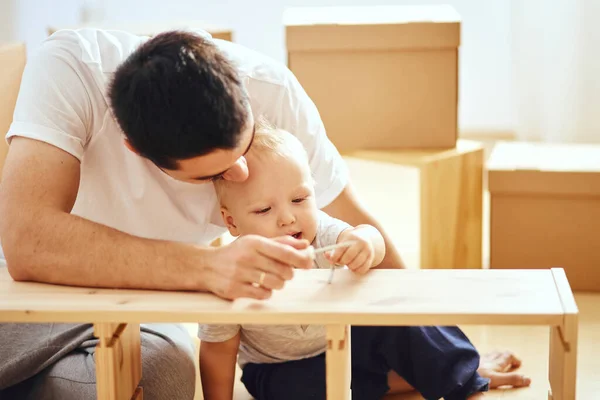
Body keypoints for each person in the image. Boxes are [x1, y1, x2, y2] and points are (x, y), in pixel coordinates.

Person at [0, 29, 528, 399]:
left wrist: (448, 349)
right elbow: (27, 244)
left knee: (162, 375)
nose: (243, 177)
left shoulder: (271, 91)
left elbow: (356, 223)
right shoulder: (70, 69)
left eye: (243, 150)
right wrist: (208, 269)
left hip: (132, 314)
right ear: (136, 148)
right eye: (213, 175)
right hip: (31, 300)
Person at [199, 121, 491, 400]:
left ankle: (464, 377)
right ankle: (411, 379)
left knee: (403, 315)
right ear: (231, 222)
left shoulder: (323, 235)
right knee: (292, 391)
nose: (288, 218)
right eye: (264, 210)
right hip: (280, 368)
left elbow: (366, 236)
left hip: (349, 342)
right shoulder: (231, 271)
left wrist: (366, 243)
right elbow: (218, 352)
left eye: (299, 199)